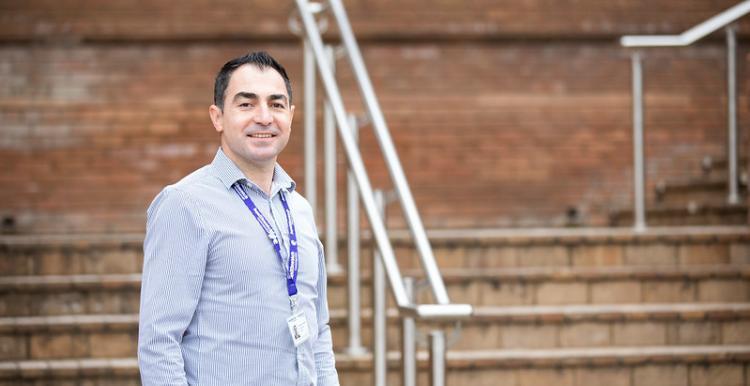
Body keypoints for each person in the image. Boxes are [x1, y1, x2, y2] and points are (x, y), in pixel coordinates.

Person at [138, 51, 339, 386]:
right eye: (246, 104)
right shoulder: (185, 204)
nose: (264, 117)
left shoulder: (299, 209)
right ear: (217, 117)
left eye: (276, 105)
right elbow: (159, 343)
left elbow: (318, 331)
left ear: (290, 115)